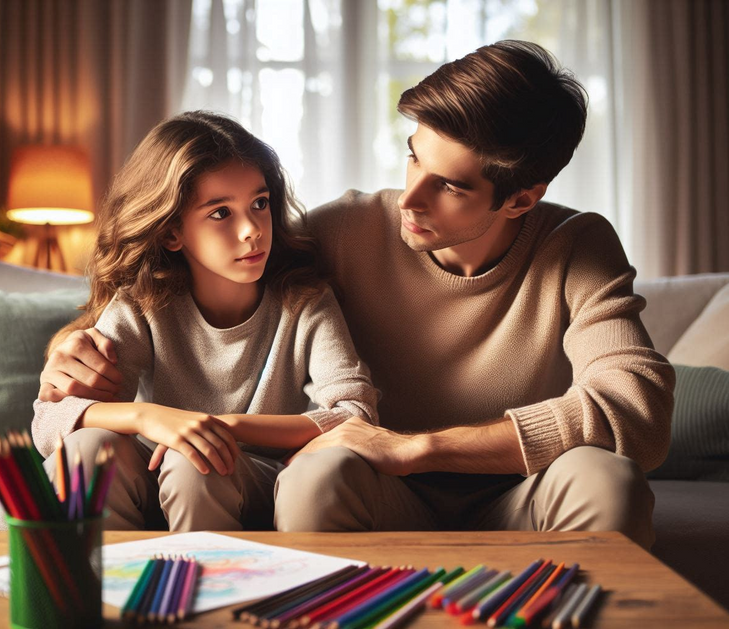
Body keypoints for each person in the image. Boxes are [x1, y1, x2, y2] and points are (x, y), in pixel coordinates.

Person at [40, 41, 674, 549]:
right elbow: (201, 268)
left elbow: (637, 410)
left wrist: (419, 447)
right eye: (412, 157)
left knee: (608, 481)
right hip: (375, 493)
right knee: (318, 475)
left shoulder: (577, 245)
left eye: (449, 186)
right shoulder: (343, 230)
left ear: (520, 198)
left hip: (519, 490)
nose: (412, 198)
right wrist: (74, 346)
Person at [30, 111, 378, 532]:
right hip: (149, 474)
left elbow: (355, 414)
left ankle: (209, 592)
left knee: (198, 461)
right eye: (220, 213)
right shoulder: (142, 305)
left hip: (248, 484)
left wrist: (223, 427)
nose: (252, 229)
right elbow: (49, 422)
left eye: (260, 203)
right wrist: (149, 418)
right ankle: (98, 593)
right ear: (172, 232)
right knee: (85, 450)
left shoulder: (304, 300)